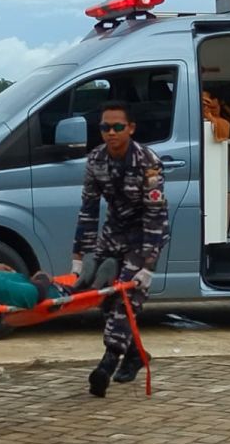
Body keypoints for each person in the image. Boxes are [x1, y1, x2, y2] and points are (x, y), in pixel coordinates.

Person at [71, 100, 170, 397]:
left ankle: (107, 364)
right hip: (114, 232)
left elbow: (155, 214)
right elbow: (88, 209)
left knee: (126, 300)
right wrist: (79, 256)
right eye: (105, 127)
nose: (110, 133)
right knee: (100, 295)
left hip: (145, 235)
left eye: (117, 127)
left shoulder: (147, 162)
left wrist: (148, 266)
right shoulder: (96, 160)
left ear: (131, 128)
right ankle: (136, 355)